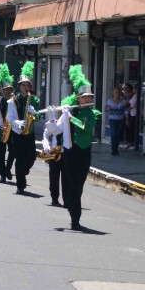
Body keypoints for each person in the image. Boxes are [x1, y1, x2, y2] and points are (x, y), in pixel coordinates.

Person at [58, 66, 101, 230]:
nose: (88, 99)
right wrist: (62, 115)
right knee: (68, 181)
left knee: (78, 185)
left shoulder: (93, 113)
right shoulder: (71, 110)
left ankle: (75, 217)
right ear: (77, 98)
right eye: (84, 97)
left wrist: (70, 117)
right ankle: (70, 206)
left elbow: (86, 127)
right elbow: (59, 128)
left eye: (89, 96)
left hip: (83, 153)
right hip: (69, 151)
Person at [7, 63, 40, 195]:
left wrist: (35, 113)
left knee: (31, 158)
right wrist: (17, 123)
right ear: (19, 86)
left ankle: (23, 172)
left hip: (29, 133)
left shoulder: (34, 100)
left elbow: (38, 118)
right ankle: (20, 185)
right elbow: (9, 118)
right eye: (23, 85)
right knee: (19, 159)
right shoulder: (12, 101)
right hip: (18, 133)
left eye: (28, 85)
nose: (26, 88)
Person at [105, 87, 129, 156]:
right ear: (113, 93)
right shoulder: (109, 101)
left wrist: (127, 119)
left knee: (118, 134)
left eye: (118, 93)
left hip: (121, 119)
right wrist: (108, 108)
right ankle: (113, 149)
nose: (117, 94)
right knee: (113, 133)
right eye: (115, 93)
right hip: (112, 119)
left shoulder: (123, 101)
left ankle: (116, 149)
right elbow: (106, 109)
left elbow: (126, 110)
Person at [124, 83, 138, 149]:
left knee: (132, 128)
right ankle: (130, 140)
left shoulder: (135, 96)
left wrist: (127, 110)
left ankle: (131, 141)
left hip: (133, 114)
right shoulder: (134, 96)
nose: (133, 90)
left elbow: (131, 106)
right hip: (132, 114)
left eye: (134, 89)